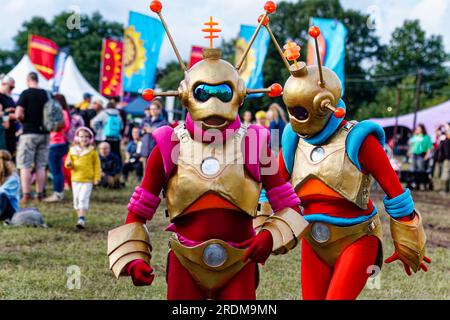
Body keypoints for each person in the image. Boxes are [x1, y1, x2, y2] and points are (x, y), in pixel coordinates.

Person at [107, 12, 308, 300]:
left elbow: (287, 203)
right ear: (186, 94)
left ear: (238, 94)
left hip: (240, 260)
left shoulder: (254, 141)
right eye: (203, 92)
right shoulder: (170, 142)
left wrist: (270, 235)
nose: (213, 102)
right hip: (185, 260)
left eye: (223, 92)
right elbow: (140, 208)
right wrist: (135, 259)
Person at [274, 26, 430, 300]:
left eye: (301, 110)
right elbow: (274, 185)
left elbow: (395, 192)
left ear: (325, 103)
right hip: (314, 239)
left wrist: (409, 239)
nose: (297, 117)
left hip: (357, 238)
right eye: (292, 109)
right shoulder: (292, 138)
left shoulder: (358, 139)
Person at [14, 72, 50, 205]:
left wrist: (22, 119)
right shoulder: (45, 94)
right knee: (41, 165)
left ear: (28, 80)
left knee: (25, 165)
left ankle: (26, 194)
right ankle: (39, 194)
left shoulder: (25, 93)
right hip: (45, 134)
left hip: (29, 133)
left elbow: (18, 114)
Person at [65, 127, 100, 229]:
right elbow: (67, 162)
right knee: (76, 200)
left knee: (83, 198)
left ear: (90, 138)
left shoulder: (92, 151)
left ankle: (82, 219)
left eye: (86, 137)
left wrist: (96, 177)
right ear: (77, 138)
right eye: (81, 137)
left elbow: (97, 165)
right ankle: (79, 218)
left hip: (87, 180)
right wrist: (68, 164)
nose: (84, 139)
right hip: (75, 179)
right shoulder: (72, 150)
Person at [44, 94, 71, 203]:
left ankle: (57, 193)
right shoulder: (65, 112)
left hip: (55, 143)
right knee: (57, 169)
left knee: (56, 170)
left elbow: (61, 126)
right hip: (61, 143)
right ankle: (59, 192)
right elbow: (67, 127)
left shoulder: (59, 112)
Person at [0, 75, 18, 156]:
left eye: (13, 87)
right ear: (3, 84)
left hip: (11, 135)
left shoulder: (10, 99)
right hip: (2, 135)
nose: (12, 89)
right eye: (10, 87)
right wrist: (8, 114)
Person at [0, 150, 20, 222]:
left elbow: (3, 192)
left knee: (2, 195)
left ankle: (6, 218)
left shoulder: (13, 178)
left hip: (11, 211)